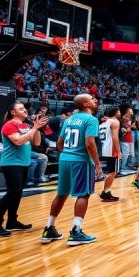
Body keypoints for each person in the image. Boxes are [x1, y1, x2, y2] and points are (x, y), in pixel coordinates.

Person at [41, 94, 103, 245]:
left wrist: (67, 153)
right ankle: (76, 232)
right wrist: (97, 164)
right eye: (91, 99)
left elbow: (59, 142)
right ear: (85, 104)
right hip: (81, 160)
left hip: (65, 159)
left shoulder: (69, 119)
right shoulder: (91, 119)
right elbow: (90, 143)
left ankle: (49, 228)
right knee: (83, 194)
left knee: (61, 194)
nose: (95, 100)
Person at [0, 103, 48, 238]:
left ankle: (12, 222)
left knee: (17, 193)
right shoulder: (9, 125)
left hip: (23, 163)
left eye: (24, 108)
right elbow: (18, 141)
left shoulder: (25, 126)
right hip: (11, 163)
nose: (25, 110)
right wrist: (34, 128)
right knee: (12, 192)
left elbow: (37, 143)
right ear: (13, 112)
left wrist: (37, 128)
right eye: (21, 108)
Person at [98, 107, 121, 202]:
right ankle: (106, 192)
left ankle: (106, 191)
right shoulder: (115, 122)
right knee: (113, 172)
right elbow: (115, 137)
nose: (120, 113)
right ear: (115, 113)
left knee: (112, 171)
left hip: (104, 148)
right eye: (118, 111)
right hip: (111, 149)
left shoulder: (103, 123)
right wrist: (118, 151)